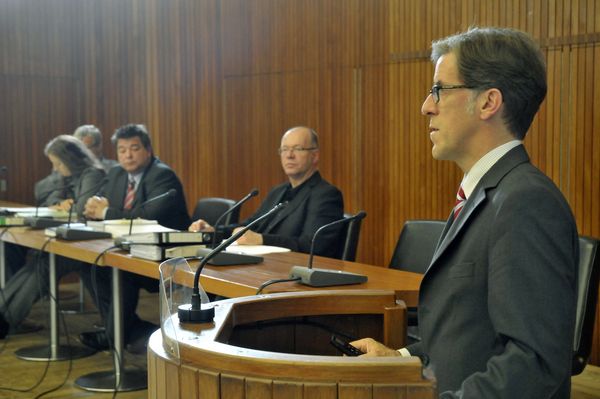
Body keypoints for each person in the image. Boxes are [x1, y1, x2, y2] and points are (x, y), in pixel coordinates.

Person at [351, 27, 578, 398]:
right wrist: (403, 357)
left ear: (488, 103)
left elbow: (533, 365)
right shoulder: (489, 194)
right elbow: (471, 334)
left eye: (440, 89)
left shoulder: (526, 203)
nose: (427, 105)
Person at [80, 124, 190, 353]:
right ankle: (123, 330)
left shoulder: (162, 175)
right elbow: (110, 208)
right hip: (131, 249)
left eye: (134, 148)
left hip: (165, 256)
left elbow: (146, 218)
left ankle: (115, 335)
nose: (128, 155)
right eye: (122, 150)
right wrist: (93, 208)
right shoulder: (117, 174)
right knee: (89, 265)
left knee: (121, 271)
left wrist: (105, 213)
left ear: (148, 150)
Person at [0, 135, 106, 338]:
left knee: (45, 265)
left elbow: (83, 211)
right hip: (69, 238)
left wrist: (68, 205)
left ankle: (8, 320)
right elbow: (50, 197)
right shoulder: (68, 176)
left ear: (70, 159)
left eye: (58, 163)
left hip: (89, 242)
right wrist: (61, 203)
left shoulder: (93, 174)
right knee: (38, 262)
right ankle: (3, 315)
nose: (56, 168)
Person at [189, 126, 344, 258]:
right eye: (284, 149)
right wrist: (213, 231)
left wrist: (262, 239)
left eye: (297, 149)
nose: (289, 155)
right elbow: (250, 226)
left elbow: (312, 245)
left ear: (314, 155)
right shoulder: (278, 191)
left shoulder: (326, 195)